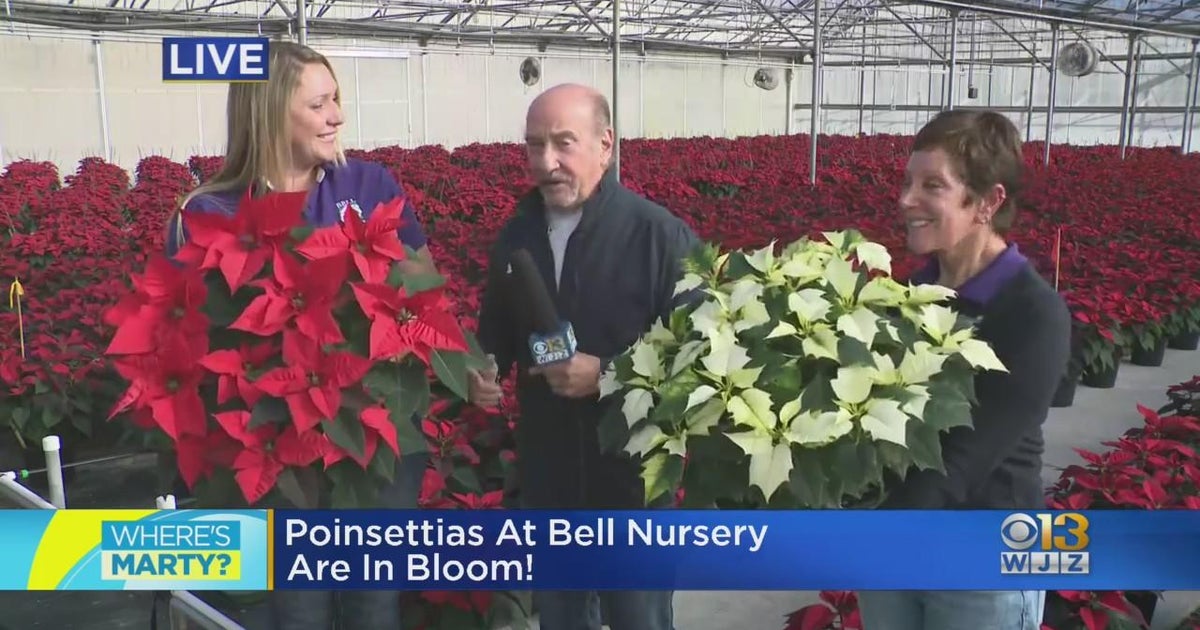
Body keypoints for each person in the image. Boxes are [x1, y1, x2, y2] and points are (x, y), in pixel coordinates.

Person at [164, 40, 433, 630]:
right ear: (269, 113)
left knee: (373, 606)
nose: (337, 116)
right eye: (318, 105)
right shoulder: (206, 212)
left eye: (336, 100)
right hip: (275, 460)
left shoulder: (368, 185)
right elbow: (185, 345)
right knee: (296, 611)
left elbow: (421, 292)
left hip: (369, 443)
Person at [467, 83, 699, 630]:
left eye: (563, 144)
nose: (546, 162)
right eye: (533, 146)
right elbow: (496, 332)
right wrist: (485, 370)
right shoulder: (517, 236)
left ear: (605, 145)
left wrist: (609, 375)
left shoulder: (660, 237)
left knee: (639, 617)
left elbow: (701, 363)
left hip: (633, 484)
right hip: (550, 479)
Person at [855, 110, 1070, 629]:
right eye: (907, 182)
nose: (907, 200)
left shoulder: (1034, 313)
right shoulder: (909, 296)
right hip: (896, 543)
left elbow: (965, 461)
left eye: (933, 185)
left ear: (988, 202)